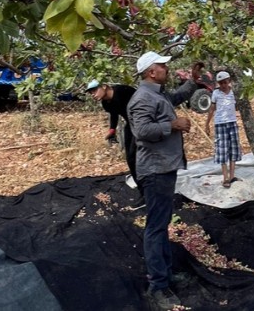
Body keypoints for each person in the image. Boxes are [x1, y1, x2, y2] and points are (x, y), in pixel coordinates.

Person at [127, 51, 203, 310]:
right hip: (155, 170)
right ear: (151, 71)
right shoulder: (142, 98)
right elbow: (142, 131)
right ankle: (158, 286)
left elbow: (176, 97)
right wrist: (174, 125)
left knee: (161, 224)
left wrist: (192, 81)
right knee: (156, 228)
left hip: (164, 168)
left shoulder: (157, 94)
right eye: (162, 65)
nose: (166, 68)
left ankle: (166, 274)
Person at [85, 80, 143, 206]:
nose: (93, 95)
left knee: (142, 156)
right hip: (131, 124)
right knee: (131, 158)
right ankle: (143, 191)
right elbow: (114, 114)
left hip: (143, 122)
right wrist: (112, 130)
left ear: (104, 86)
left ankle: (152, 189)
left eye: (95, 90)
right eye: (91, 93)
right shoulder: (106, 103)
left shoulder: (123, 90)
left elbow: (143, 100)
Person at [204, 71, 242, 188]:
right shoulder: (216, 93)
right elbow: (212, 109)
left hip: (232, 123)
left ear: (229, 81)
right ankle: (225, 177)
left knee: (233, 148)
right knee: (222, 149)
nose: (223, 85)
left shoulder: (233, 92)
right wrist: (207, 124)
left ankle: (232, 176)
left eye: (225, 82)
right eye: (221, 83)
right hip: (220, 124)